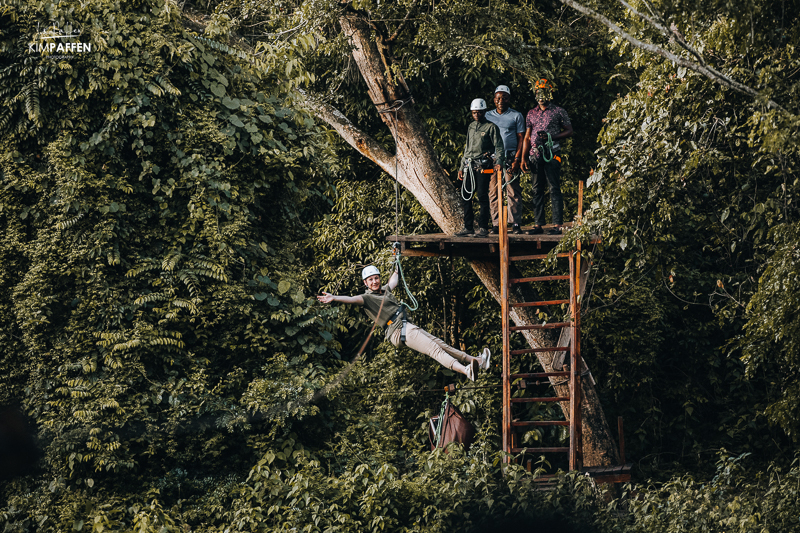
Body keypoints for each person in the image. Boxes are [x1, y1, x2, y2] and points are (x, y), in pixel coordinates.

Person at [317, 264, 491, 381]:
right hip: (398, 330)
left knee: (442, 345)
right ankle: (466, 371)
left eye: (376, 278)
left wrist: (396, 264)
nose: (375, 281)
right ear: (365, 283)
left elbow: (393, 281)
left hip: (407, 325)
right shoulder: (367, 298)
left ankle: (478, 362)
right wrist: (334, 298)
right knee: (435, 350)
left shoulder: (384, 290)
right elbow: (352, 299)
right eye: (370, 280)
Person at [521, 79, 573, 235]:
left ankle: (557, 224)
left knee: (554, 188)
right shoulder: (531, 113)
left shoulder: (558, 111)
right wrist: (523, 157)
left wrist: (552, 136)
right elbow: (527, 137)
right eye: (538, 92)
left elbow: (569, 130)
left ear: (549, 93)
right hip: (535, 155)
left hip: (552, 153)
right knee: (537, 189)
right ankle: (538, 224)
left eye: (544, 92)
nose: (541, 96)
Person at [456, 98, 505, 238]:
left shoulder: (491, 127)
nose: (476, 115)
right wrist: (461, 166)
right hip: (469, 165)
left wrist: (499, 161)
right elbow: (467, 148)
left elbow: (499, 146)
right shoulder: (471, 126)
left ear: (484, 112)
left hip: (483, 166)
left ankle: (483, 227)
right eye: (474, 113)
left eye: (479, 112)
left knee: (482, 197)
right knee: (466, 197)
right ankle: (468, 227)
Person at [485, 85, 526, 235]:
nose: (501, 101)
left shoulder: (516, 116)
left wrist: (517, 158)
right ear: (494, 100)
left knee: (513, 190)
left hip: (510, 157)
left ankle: (515, 223)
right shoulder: (487, 116)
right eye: (498, 98)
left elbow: (521, 138)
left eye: (504, 98)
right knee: (493, 191)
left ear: (509, 99)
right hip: (494, 159)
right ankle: (496, 224)